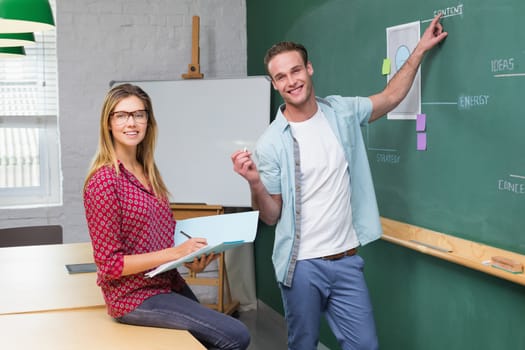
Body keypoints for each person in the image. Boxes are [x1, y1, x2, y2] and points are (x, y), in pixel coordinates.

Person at [231, 14, 447, 350]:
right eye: (281, 77)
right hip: (301, 268)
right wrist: (255, 183)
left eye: (295, 71)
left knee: (365, 346)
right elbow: (271, 216)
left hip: (346, 261)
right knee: (303, 345)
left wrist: (419, 48)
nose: (291, 81)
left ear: (309, 69)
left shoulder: (342, 113)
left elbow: (390, 97)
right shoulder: (271, 142)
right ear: (275, 84)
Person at [83, 83, 250, 350]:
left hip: (166, 283)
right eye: (122, 115)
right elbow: (110, 265)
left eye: (139, 114)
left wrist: (189, 259)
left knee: (207, 341)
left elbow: (159, 235)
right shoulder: (104, 181)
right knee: (236, 335)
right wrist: (175, 253)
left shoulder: (147, 171)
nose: (132, 122)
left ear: (148, 121)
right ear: (108, 123)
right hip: (133, 297)